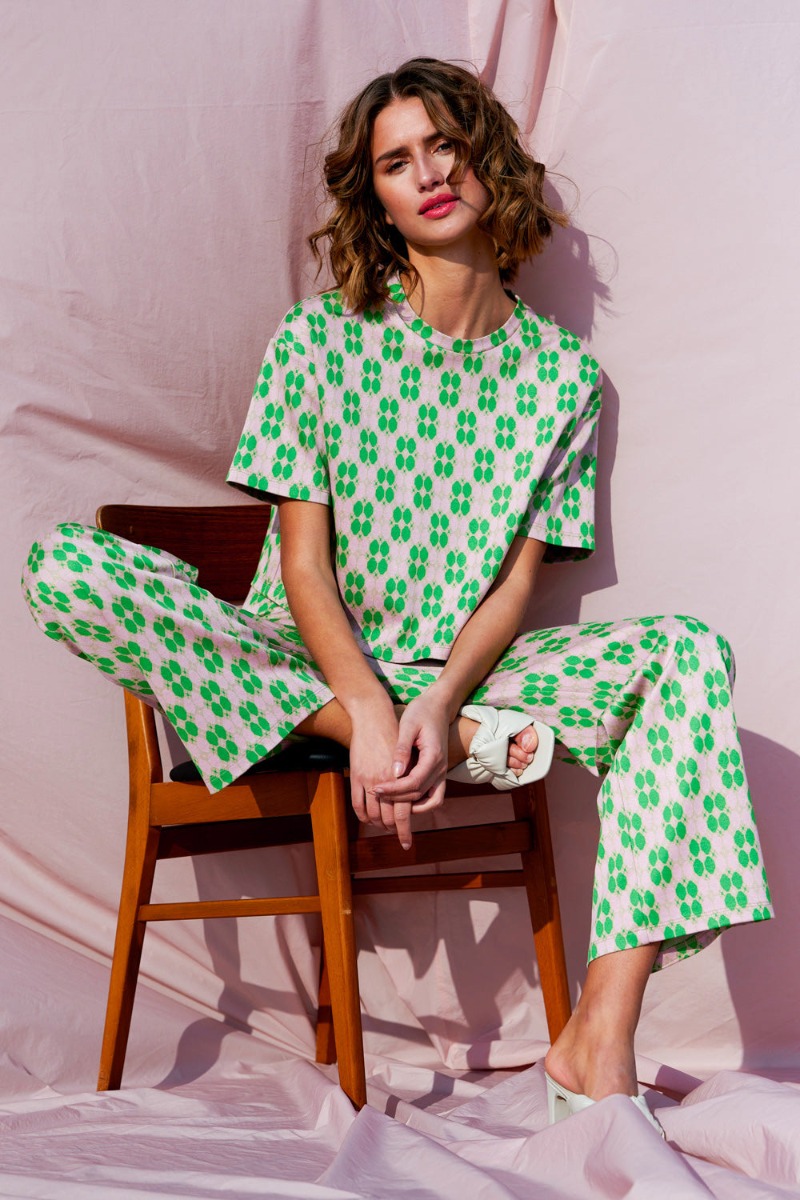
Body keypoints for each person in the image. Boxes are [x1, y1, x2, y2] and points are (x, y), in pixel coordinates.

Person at [22, 57, 772, 1131]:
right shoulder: (318, 339)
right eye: (395, 161)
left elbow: (513, 584)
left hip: (464, 674)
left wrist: (438, 698)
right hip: (311, 661)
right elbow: (303, 568)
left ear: (487, 159)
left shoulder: (561, 377)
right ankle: (430, 739)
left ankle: (596, 1043)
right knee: (67, 565)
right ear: (373, 196)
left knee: (684, 652)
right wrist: (369, 712)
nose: (428, 173)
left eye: (445, 145)